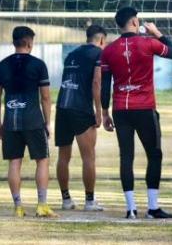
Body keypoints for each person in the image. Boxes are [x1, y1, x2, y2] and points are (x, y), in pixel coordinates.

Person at [100, 7, 172, 219]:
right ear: (135, 22)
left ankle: (131, 209)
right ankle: (152, 208)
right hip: (144, 108)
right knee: (154, 154)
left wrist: (104, 112)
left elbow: (104, 84)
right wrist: (157, 33)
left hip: (120, 109)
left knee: (126, 157)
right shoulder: (148, 42)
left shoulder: (108, 50)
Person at [0, 26, 56, 218]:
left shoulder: (1, 65)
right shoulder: (38, 65)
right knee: (42, 161)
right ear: (29, 43)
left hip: (10, 121)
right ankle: (42, 205)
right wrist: (48, 122)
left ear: (14, 43)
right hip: (33, 121)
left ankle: (18, 206)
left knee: (14, 163)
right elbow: (45, 97)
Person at [55, 25, 107, 212]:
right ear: (101, 39)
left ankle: (66, 199)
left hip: (62, 106)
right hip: (81, 108)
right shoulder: (98, 54)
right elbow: (96, 82)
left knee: (63, 156)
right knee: (88, 156)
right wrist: (99, 111)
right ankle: (90, 201)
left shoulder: (71, 54)